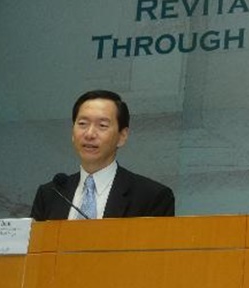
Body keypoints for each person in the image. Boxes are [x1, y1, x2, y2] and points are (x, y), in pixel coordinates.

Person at [30, 89, 175, 220]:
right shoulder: (51, 194)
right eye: (82, 124)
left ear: (122, 136)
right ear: (72, 133)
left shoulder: (151, 197)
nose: (90, 134)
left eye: (102, 126)